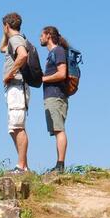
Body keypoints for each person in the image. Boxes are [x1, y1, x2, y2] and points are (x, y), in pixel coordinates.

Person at [1, 12, 30, 173]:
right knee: (14, 127)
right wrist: (6, 33)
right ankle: (23, 164)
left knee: (18, 126)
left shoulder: (16, 39)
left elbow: (23, 55)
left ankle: (22, 166)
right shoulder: (13, 40)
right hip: (16, 88)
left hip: (17, 87)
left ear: (6, 26)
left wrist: (9, 74)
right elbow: (1, 48)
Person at [39, 25, 69, 174]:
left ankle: (60, 165)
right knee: (56, 130)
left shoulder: (58, 51)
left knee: (59, 129)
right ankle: (58, 165)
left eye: (42, 35)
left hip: (56, 96)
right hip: (52, 96)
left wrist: (44, 78)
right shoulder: (52, 53)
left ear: (48, 35)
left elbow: (62, 73)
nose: (40, 38)